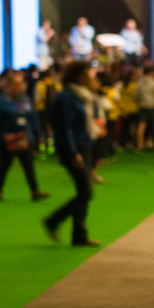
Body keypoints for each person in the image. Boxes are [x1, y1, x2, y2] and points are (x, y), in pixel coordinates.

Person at [43, 61, 99, 247]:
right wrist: (73, 152)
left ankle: (79, 236)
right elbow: (64, 128)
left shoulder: (83, 95)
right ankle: (53, 221)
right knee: (85, 193)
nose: (91, 77)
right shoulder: (66, 97)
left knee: (84, 192)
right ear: (78, 75)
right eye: (88, 74)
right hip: (73, 149)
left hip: (85, 146)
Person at [0, 69, 50, 202]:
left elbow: (32, 118)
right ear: (9, 85)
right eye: (16, 84)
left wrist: (37, 135)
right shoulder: (2, 101)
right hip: (8, 139)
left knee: (29, 166)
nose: (20, 86)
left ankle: (35, 191)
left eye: (21, 83)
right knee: (4, 165)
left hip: (25, 138)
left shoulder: (25, 99)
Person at [134, 64, 154, 151]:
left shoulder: (140, 82)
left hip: (142, 106)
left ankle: (139, 146)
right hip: (152, 106)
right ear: (152, 73)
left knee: (141, 126)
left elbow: (136, 95)